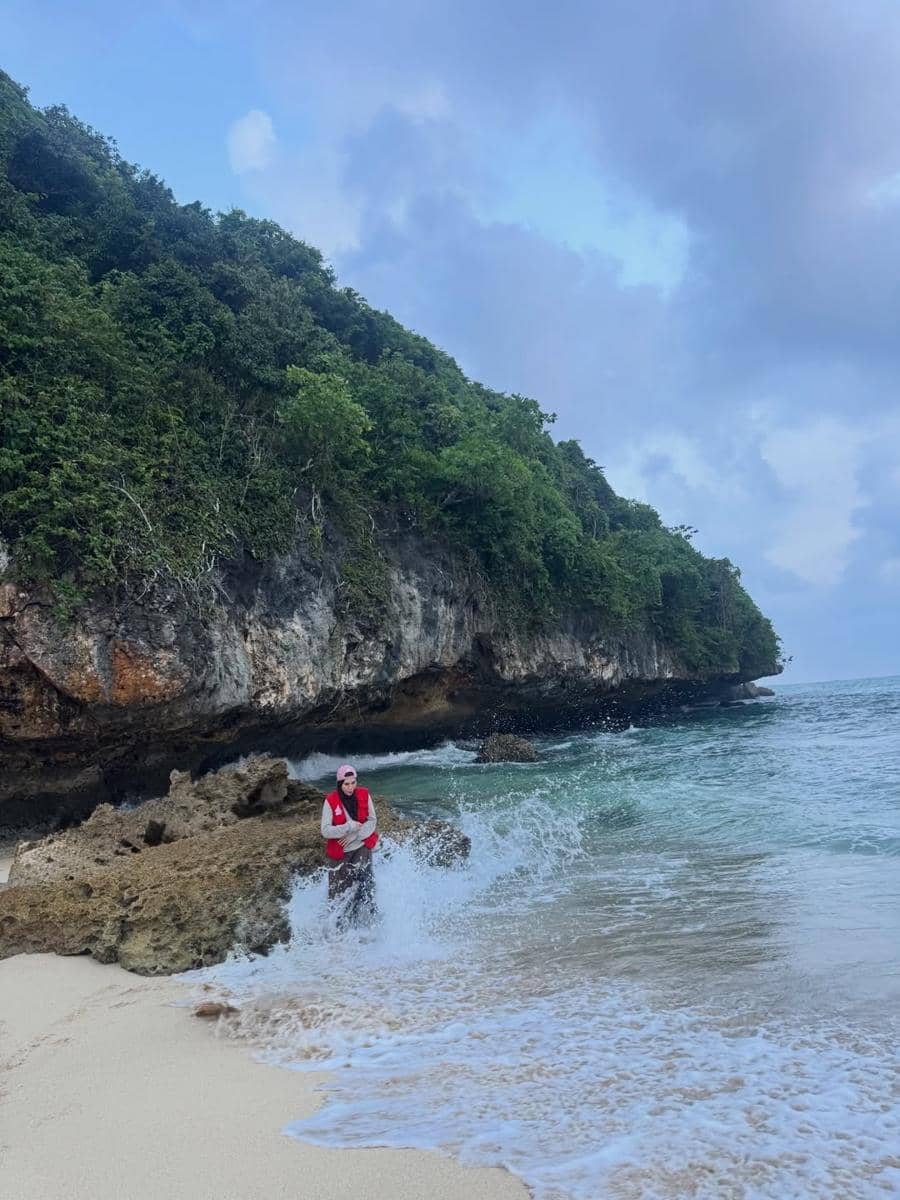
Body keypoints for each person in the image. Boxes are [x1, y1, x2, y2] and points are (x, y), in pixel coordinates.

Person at [321, 764, 378, 924]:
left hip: (361, 848)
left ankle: (369, 922)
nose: (350, 787)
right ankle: (335, 930)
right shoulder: (330, 800)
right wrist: (347, 827)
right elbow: (325, 831)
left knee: (365, 886)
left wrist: (354, 835)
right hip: (340, 854)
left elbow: (372, 821)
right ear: (340, 784)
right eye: (346, 784)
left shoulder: (364, 794)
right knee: (338, 892)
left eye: (353, 782)